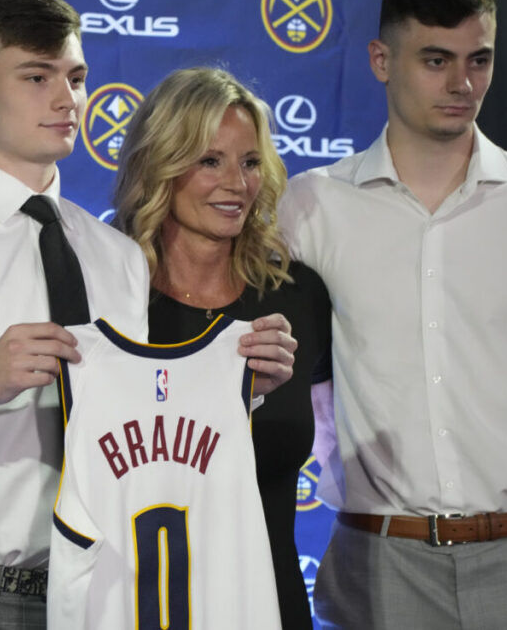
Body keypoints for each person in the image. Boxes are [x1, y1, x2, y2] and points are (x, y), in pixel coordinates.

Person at [0, 0, 296, 629]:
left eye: (76, 77)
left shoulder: (115, 256)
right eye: (36, 77)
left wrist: (237, 390)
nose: (66, 98)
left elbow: (138, 422)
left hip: (110, 589)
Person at [278, 0, 507, 629]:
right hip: (379, 565)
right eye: (436, 59)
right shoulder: (311, 206)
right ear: (381, 59)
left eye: (479, 59)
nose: (463, 83)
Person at [110, 66, 330, 628]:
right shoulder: (111, 297)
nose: (237, 183)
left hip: (273, 604)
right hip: (143, 606)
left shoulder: (297, 297)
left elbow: (352, 423)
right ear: (160, 163)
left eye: (250, 162)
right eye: (210, 160)